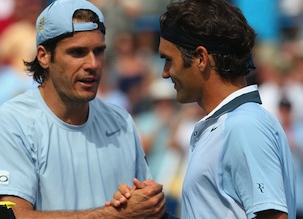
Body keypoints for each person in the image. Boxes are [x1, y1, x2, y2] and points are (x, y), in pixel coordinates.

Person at [0, 0, 166, 218]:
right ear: (44, 56)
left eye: (99, 51)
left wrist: (147, 201)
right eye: (77, 52)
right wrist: (115, 214)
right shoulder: (9, 124)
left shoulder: (120, 121)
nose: (92, 64)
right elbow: (13, 216)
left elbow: (145, 207)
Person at [109, 0, 296, 218]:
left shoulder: (243, 126)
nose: (165, 73)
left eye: (168, 60)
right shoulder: (230, 124)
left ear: (201, 58)